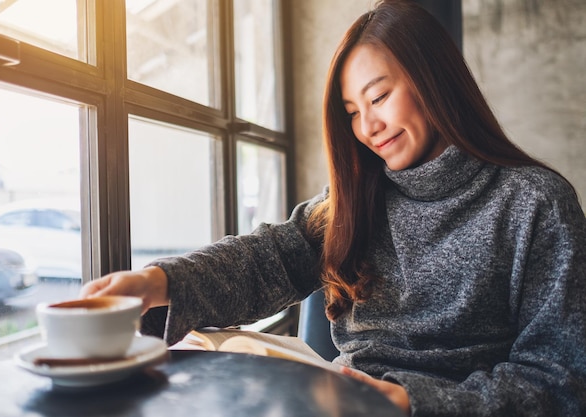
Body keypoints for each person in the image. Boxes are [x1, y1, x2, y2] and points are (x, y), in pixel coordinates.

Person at [80, 1, 586, 415]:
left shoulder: (534, 202)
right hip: (342, 401)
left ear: (435, 81)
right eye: (352, 113)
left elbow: (561, 379)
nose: (368, 127)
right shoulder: (355, 198)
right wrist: (158, 282)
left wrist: (418, 403)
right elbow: (264, 260)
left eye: (380, 96)